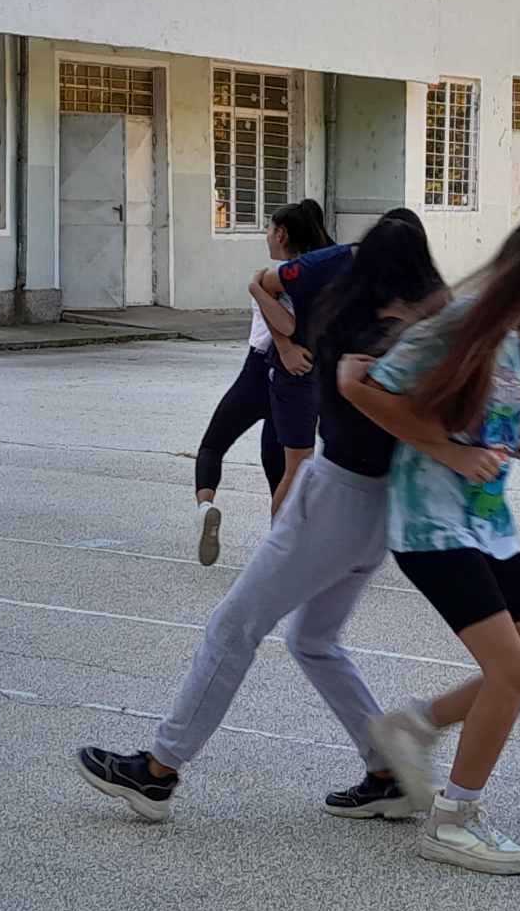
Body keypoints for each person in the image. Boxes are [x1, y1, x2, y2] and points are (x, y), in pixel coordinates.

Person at [75, 216, 449, 822]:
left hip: (337, 497)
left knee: (234, 626)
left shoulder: (361, 324)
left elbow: (279, 291)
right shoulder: (431, 330)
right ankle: (386, 771)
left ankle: (158, 771)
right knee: (313, 640)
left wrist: (284, 329)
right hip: (382, 509)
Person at [347, 214, 520, 876]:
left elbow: (476, 411)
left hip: (486, 526)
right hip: (432, 527)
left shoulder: (512, 335)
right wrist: (448, 450)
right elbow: (367, 390)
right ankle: (453, 819)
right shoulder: (462, 322)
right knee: (511, 674)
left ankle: (412, 725)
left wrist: (503, 435)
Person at [249, 206, 427, 519]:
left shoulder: (414, 278)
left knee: (361, 468)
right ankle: (282, 549)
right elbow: (266, 284)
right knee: (299, 468)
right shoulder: (327, 262)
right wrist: (285, 346)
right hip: (302, 374)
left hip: (356, 382)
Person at [192, 201, 326, 565]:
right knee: (279, 463)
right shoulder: (320, 274)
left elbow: (282, 327)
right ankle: (284, 540)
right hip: (296, 380)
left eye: (268, 228)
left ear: (281, 234)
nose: (266, 235)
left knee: (213, 445)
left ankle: (206, 506)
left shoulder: (278, 277)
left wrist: (254, 286)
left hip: (261, 372)